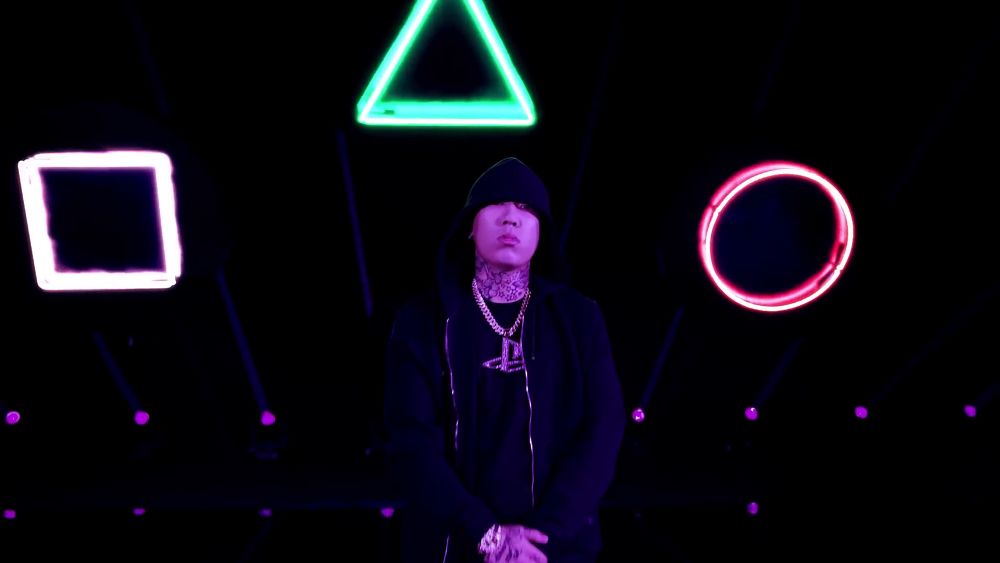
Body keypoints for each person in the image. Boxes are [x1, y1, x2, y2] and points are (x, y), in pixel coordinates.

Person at [383, 156, 627, 563]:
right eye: (497, 203)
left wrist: (542, 537)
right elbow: (410, 440)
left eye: (527, 208)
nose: (511, 217)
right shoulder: (422, 321)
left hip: (556, 550)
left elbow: (603, 427)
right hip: (450, 548)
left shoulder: (579, 318)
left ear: (541, 232)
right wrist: (486, 534)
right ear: (469, 225)